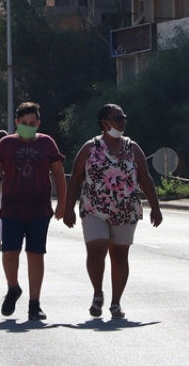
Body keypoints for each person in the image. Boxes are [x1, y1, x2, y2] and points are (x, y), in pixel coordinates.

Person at [64, 104, 162, 320]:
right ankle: (98, 293)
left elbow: (145, 178)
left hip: (126, 210)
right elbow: (77, 178)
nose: (122, 121)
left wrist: (155, 207)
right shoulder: (90, 148)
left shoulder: (132, 148)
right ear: (104, 122)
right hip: (94, 208)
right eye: (117, 118)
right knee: (97, 248)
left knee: (119, 255)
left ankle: (116, 302)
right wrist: (67, 208)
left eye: (124, 117)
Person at [0, 103, 66, 321]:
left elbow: (58, 173)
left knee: (35, 254)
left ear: (38, 124)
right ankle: (13, 288)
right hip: (11, 207)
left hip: (39, 208)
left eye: (32, 124)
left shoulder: (46, 143)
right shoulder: (6, 144)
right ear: (16, 123)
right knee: (9, 252)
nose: (28, 127)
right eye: (24, 124)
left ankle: (34, 304)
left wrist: (62, 203)